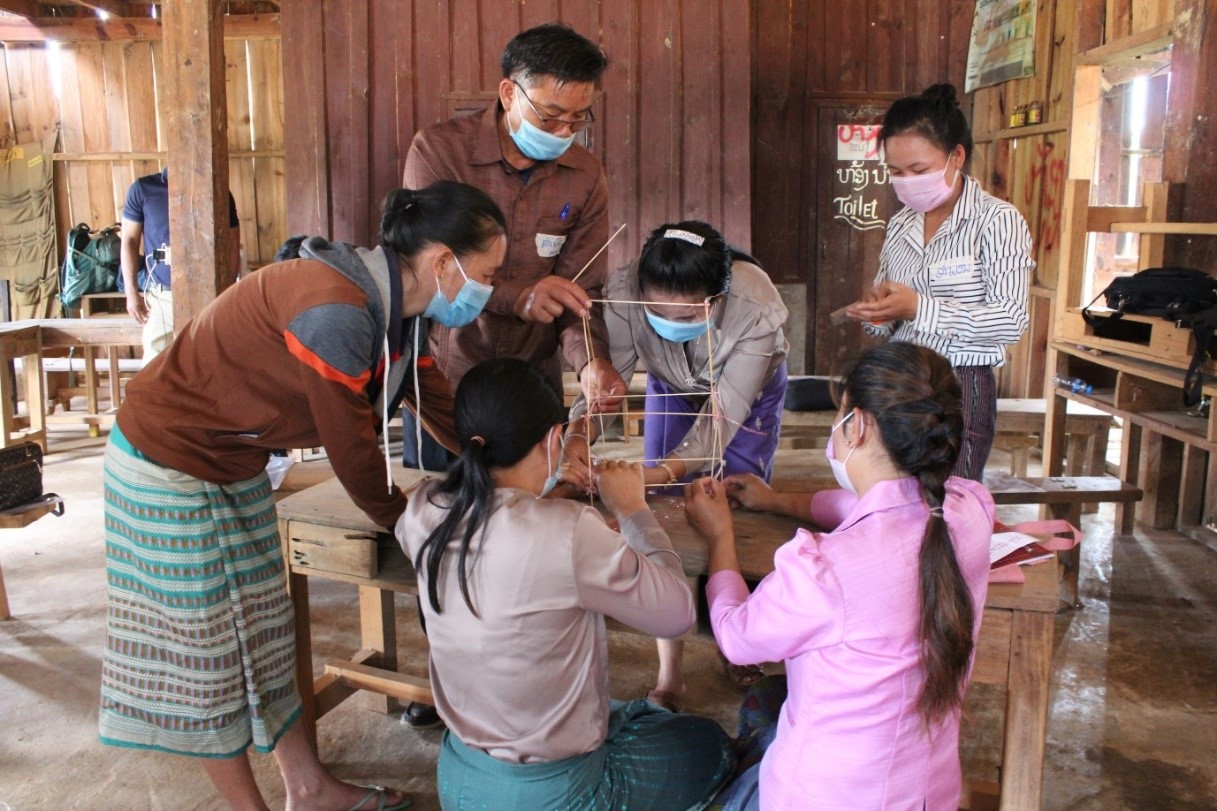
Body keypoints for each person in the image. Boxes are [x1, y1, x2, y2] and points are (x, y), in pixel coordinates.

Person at [98, 181, 507, 811]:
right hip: (166, 460)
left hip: (232, 461)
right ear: (443, 263)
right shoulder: (337, 312)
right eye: (489, 272)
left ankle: (308, 787)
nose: (491, 288)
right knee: (208, 653)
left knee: (262, 628)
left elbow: (439, 405)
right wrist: (412, 525)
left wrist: (517, 463)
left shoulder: (400, 312)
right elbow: (352, 451)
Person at [395, 357, 735, 811]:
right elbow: (676, 614)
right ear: (557, 439)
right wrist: (633, 508)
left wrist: (541, 498)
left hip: (459, 779)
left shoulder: (422, 508)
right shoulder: (568, 529)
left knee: (620, 712)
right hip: (554, 795)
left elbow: (494, 532)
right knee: (707, 744)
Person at [684, 342, 993, 810]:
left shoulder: (824, 571)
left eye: (840, 414)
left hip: (818, 796)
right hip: (929, 793)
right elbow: (869, 507)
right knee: (768, 705)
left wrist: (720, 536)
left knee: (747, 730)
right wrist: (777, 501)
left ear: (859, 426)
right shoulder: (969, 512)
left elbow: (736, 636)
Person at [568, 219, 789, 711]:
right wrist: (578, 437)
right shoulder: (623, 291)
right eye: (655, 311)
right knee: (661, 515)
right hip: (670, 382)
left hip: (742, 398)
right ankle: (671, 668)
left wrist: (648, 476)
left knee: (732, 504)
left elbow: (719, 424)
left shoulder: (755, 307)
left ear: (717, 297)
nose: (668, 320)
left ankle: (741, 634)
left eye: (686, 313)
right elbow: (610, 388)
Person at [402, 21, 627, 470]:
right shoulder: (439, 153)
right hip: (447, 378)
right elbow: (431, 272)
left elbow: (582, 292)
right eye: (550, 115)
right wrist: (519, 298)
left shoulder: (585, 176)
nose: (564, 131)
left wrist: (591, 363)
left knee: (529, 516)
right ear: (509, 93)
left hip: (532, 385)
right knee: (441, 515)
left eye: (578, 118)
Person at [843, 83, 1034, 480]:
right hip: (901, 381)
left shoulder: (997, 221)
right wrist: (878, 313)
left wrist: (919, 307)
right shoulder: (900, 224)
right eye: (895, 172)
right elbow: (887, 315)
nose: (906, 181)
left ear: (956, 156)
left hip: (961, 383)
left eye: (918, 170)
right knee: (894, 496)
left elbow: (1010, 319)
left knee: (951, 500)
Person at [119, 167, 242, 359]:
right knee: (155, 364)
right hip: (162, 296)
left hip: (207, 295)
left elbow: (233, 243)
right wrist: (131, 293)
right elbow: (129, 241)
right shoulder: (144, 189)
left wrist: (226, 291)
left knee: (207, 361)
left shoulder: (218, 191)